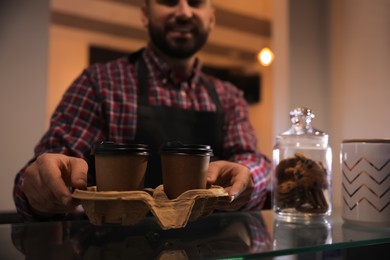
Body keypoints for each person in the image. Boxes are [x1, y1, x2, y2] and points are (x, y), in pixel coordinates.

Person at [13, 0, 271, 221]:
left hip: (214, 250)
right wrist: (40, 184)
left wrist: (248, 178)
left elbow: (252, 162)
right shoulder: (99, 83)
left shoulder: (230, 97)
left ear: (211, 18)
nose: (183, 12)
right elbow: (48, 169)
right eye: (168, 1)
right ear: (145, 14)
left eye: (195, 1)